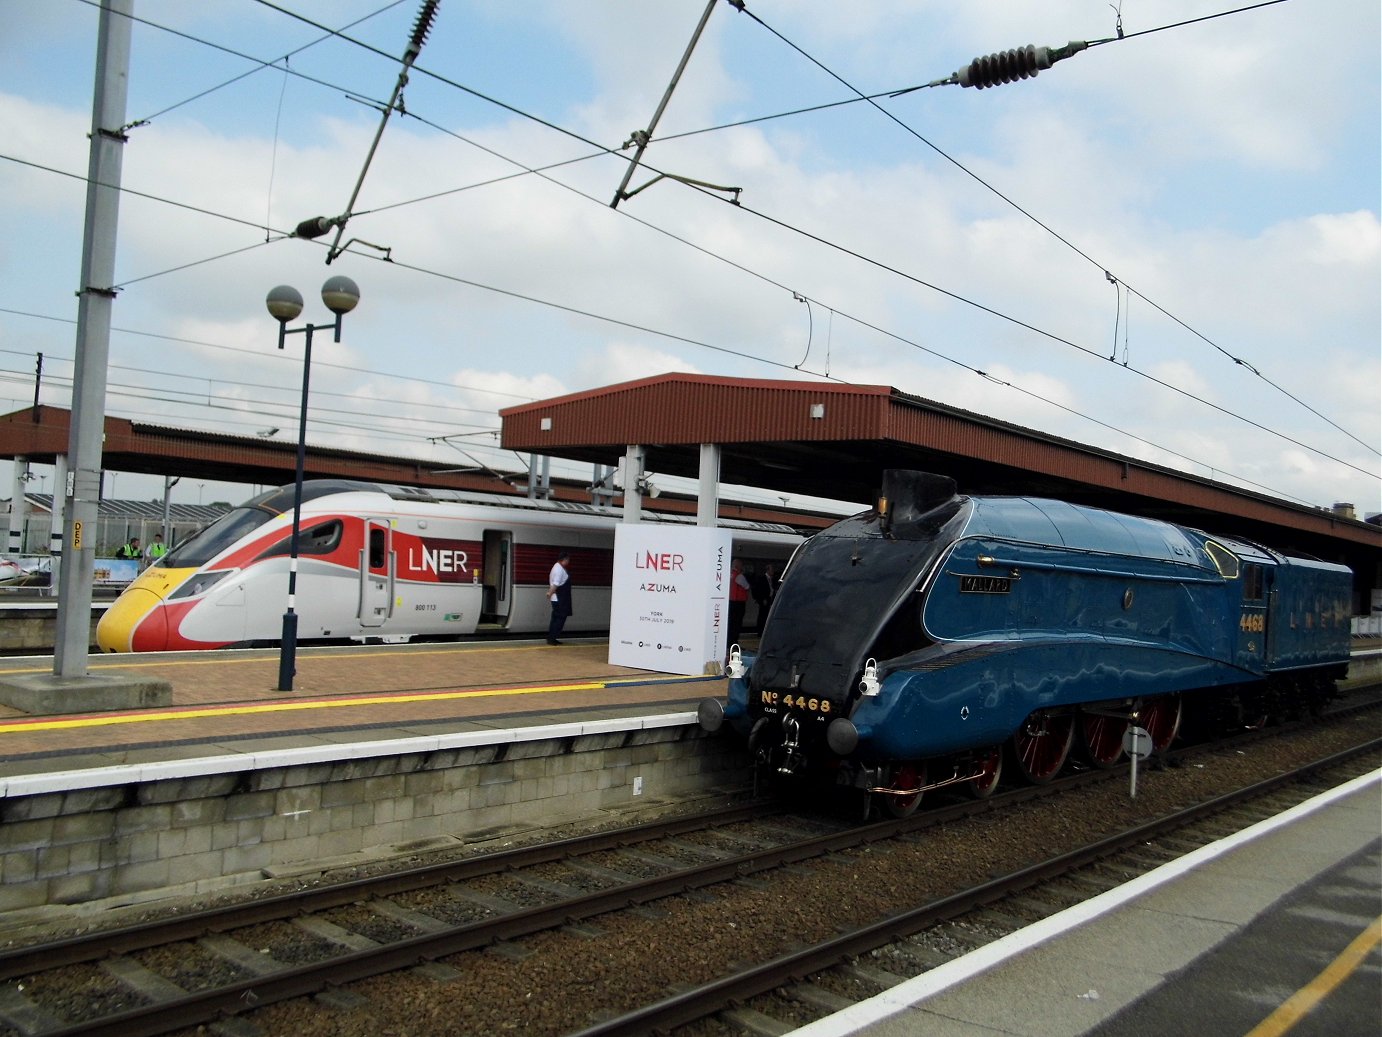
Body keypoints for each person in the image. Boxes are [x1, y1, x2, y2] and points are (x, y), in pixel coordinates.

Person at [546, 550, 572, 645]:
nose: (568, 562)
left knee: (555, 618)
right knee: (559, 619)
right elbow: (556, 584)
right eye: (568, 560)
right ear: (564, 559)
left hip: (558, 598)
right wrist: (550, 593)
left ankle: (552, 637)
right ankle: (552, 638)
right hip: (559, 598)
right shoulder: (559, 570)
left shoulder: (557, 567)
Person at [727, 557, 751, 650]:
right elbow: (747, 586)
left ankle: (730, 643)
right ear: (738, 566)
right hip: (738, 603)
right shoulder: (739, 576)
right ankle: (734, 643)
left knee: (731, 623)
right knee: (737, 624)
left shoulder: (730, 574)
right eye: (741, 565)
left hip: (731, 601)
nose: (742, 566)